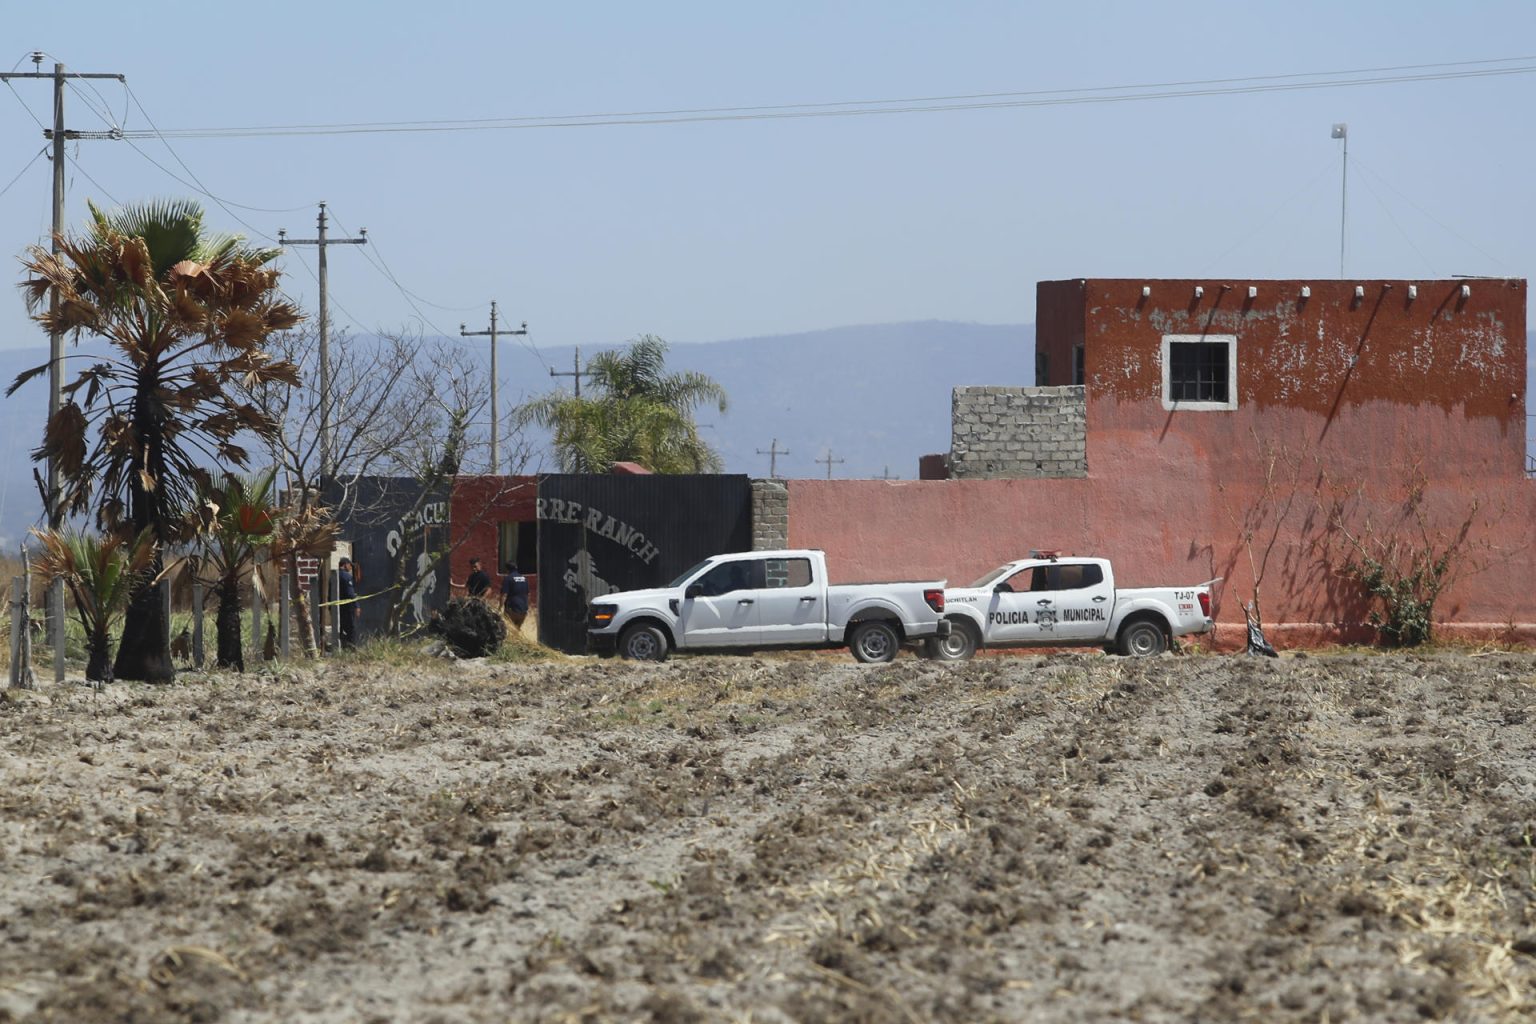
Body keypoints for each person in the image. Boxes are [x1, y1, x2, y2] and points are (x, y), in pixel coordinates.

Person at [501, 561, 530, 630]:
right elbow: (528, 594)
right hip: (523, 611)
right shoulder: (524, 578)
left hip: (512, 609)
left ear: (507, 569)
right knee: (517, 630)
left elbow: (504, 595)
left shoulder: (508, 579)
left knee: (509, 630)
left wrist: (500, 607)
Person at [337, 557, 358, 649]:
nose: (350, 568)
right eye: (350, 565)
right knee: (351, 629)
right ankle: (351, 649)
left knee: (340, 628)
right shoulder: (346, 576)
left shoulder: (334, 575)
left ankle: (342, 647)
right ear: (345, 564)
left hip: (337, 608)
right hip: (347, 608)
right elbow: (350, 594)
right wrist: (357, 606)